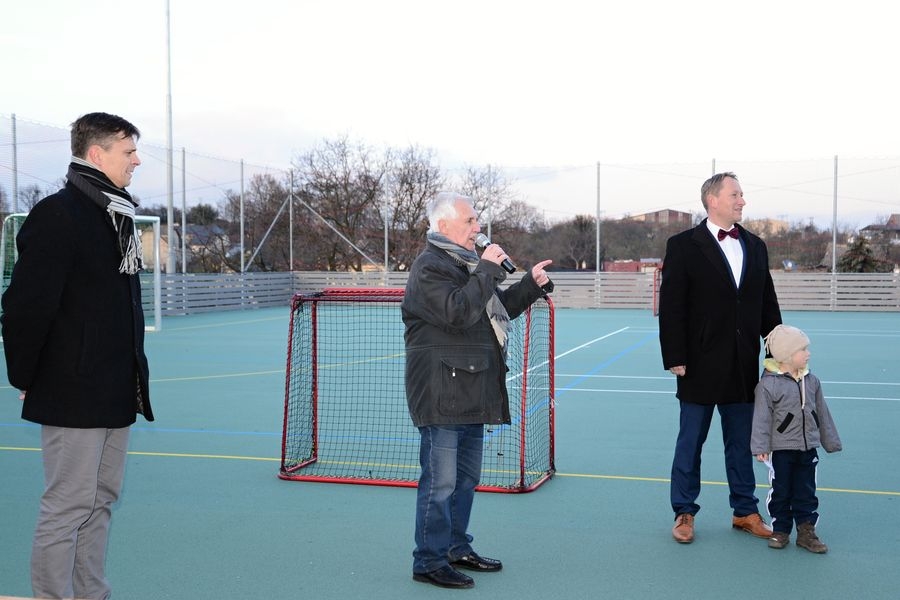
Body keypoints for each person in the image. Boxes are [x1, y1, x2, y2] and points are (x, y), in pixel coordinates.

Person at [1, 112, 154, 600]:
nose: (136, 160)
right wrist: (26, 374)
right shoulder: (58, 214)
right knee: (68, 505)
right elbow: (23, 306)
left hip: (113, 387)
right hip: (71, 387)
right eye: (127, 151)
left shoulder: (118, 215)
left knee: (101, 500)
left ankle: (91, 593)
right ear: (96, 154)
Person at [401, 191, 553, 589]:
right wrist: (487, 270)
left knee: (465, 481)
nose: (477, 228)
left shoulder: (465, 265)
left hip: (470, 387)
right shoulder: (429, 267)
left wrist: (530, 285)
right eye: (470, 221)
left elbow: (491, 309)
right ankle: (429, 560)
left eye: (476, 221)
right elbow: (458, 311)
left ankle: (455, 548)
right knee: (441, 483)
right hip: (441, 392)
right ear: (444, 225)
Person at [658, 171, 782, 544]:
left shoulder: (756, 246)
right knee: (690, 440)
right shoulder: (682, 245)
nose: (742, 200)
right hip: (697, 362)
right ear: (713, 200)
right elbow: (672, 305)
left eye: (742, 195)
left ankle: (745, 510)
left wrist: (777, 350)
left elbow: (766, 303)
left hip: (742, 365)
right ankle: (683, 511)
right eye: (736, 194)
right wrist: (675, 356)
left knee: (742, 441)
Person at [751, 324, 842, 553]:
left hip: (807, 447)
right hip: (781, 449)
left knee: (806, 491)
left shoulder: (812, 381)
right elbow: (761, 418)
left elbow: (822, 412)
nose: (808, 353)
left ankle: (806, 530)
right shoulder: (767, 385)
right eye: (803, 350)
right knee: (781, 490)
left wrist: (829, 441)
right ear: (786, 355)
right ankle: (781, 529)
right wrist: (760, 446)